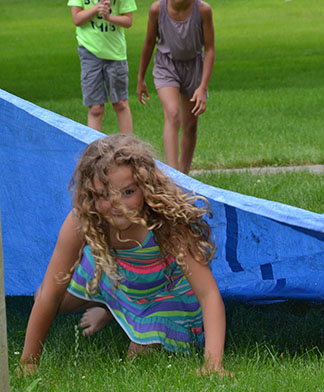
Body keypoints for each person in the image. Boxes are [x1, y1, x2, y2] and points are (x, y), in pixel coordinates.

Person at [20, 134, 228, 377]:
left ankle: (119, 313)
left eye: (128, 192)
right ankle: (110, 307)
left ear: (146, 186)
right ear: (90, 195)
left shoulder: (165, 221)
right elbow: (49, 294)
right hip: (121, 279)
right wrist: (29, 363)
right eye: (104, 195)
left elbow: (208, 293)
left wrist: (213, 365)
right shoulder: (84, 220)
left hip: (165, 291)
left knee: (140, 355)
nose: (117, 204)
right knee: (47, 299)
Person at [137, 0, 215, 174]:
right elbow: (149, 43)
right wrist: (140, 78)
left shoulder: (202, 10)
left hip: (194, 68)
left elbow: (209, 49)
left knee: (190, 126)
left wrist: (203, 86)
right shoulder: (157, 9)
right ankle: (172, 178)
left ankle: (184, 175)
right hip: (166, 65)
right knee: (172, 114)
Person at [68, 0, 137, 133]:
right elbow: (77, 19)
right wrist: (97, 7)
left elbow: (128, 21)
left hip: (115, 53)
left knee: (120, 103)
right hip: (89, 52)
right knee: (96, 107)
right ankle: (96, 152)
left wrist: (108, 17)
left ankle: (127, 149)